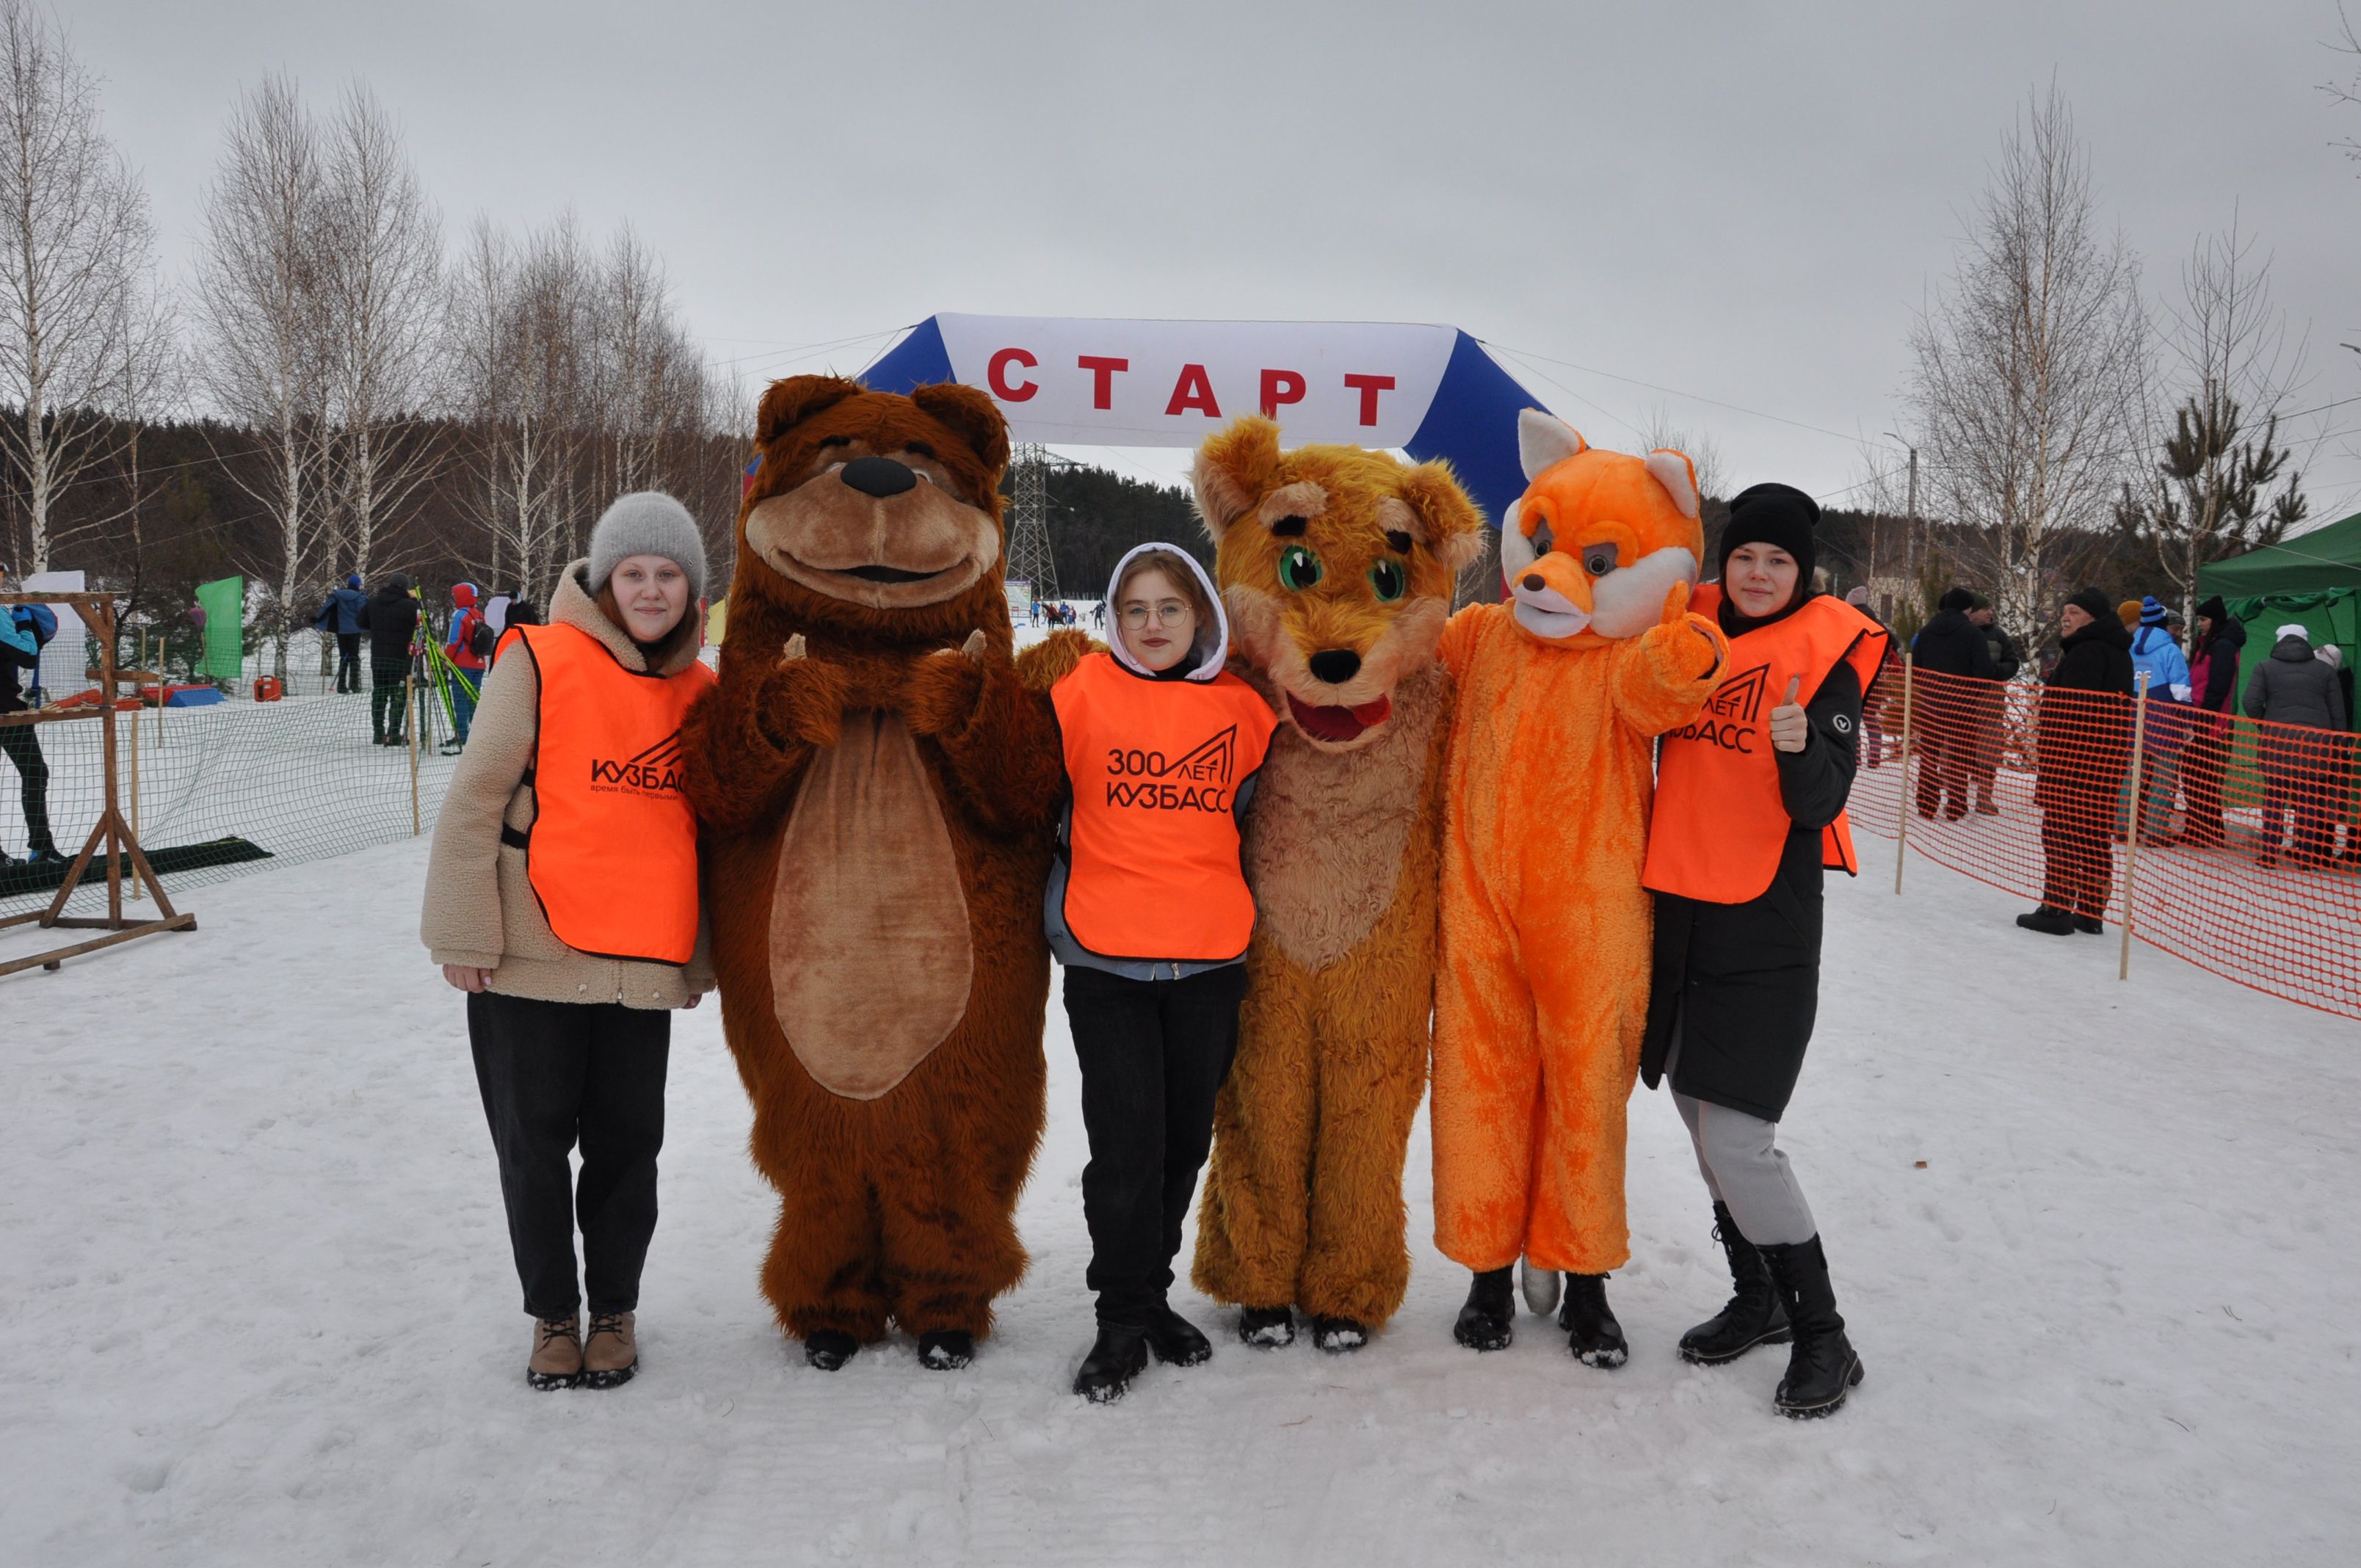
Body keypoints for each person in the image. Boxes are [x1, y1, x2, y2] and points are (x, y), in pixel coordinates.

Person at [421, 492, 715, 1391]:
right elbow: (476, 798)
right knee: (535, 1144)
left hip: (641, 963)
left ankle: (614, 1308)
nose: (652, 590)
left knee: (630, 1147)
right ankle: (554, 1313)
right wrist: (464, 929)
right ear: (602, 577)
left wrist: (699, 957)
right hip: (533, 956)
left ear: (693, 589)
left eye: (670, 575)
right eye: (636, 573)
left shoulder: (703, 689)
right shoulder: (538, 658)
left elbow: (709, 833)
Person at [1640, 484, 1888, 1419]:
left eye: (1777, 561)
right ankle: (1759, 1300)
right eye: (1744, 556)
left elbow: (1822, 801)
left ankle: (1827, 1334)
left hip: (1767, 925)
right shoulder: (1688, 631)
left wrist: (1796, 747)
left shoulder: (1825, 658)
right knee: (1703, 1132)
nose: (1757, 574)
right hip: (1680, 911)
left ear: (1802, 572)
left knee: (1741, 1141)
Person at [1045, 542, 1277, 1403]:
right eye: (1136, 609)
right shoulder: (1076, 698)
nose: (1152, 625)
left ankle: (1152, 1296)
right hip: (1107, 961)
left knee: (1185, 1139)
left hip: (1210, 960)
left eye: (1170, 609)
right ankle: (1118, 1319)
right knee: (1125, 1147)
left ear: (1201, 617)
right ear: (1113, 617)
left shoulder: (1244, 714)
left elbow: (1253, 820)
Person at [2016, 589, 2136, 934]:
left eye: (2074, 612)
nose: (2065, 617)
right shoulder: (2115, 651)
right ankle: (2091, 912)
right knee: (2094, 835)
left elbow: (2073, 715)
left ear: (2093, 618)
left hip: (2074, 763)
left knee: (2060, 832)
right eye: (2065, 611)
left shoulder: (2087, 652)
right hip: (2105, 763)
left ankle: (2056, 910)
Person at [2244, 623, 2348, 868]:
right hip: (2316, 747)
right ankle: (2306, 856)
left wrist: (2264, 724)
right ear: (2306, 641)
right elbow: (2337, 711)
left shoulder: (2264, 667)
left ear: (2279, 640)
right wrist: (2339, 743)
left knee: (2274, 798)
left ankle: (2269, 854)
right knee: (2309, 801)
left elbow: (2250, 701)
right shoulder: (2325, 671)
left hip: (2277, 744)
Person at [1907, 587, 1997, 820]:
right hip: (1962, 707)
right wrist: (1973, 695)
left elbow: (1915, 669)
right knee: (1960, 757)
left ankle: (1926, 804)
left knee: (1928, 756)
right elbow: (1983, 673)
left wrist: (1928, 691)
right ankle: (1956, 806)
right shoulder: (1973, 634)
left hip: (1930, 705)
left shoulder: (1926, 632)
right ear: (1968, 608)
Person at [0, 560, 62, 864]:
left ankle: (40, 847)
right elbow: (27, 656)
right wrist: (25, 626)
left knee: (34, 771)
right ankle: (42, 847)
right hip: (6, 709)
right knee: (35, 772)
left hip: (8, 705)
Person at [2125, 596, 2193, 846]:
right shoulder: (2171, 650)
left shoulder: (2129, 647)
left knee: (2133, 774)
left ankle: (2123, 826)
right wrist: (2187, 720)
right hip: (2165, 719)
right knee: (2164, 777)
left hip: (2133, 715)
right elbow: (2181, 690)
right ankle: (2155, 831)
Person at [2182, 597, 2246, 848]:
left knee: (2199, 776)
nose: (2200, 624)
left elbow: (2217, 687)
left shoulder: (2222, 647)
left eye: (2204, 619)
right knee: (2195, 776)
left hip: (2209, 719)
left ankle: (2204, 830)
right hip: (2201, 715)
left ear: (2215, 621)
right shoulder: (2209, 645)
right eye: (2198, 619)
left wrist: (2203, 720)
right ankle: (2201, 828)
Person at [1965, 595, 2023, 813]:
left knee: (1989, 749)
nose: (1990, 613)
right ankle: (1954, 793)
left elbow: (2013, 662)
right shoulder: (1961, 633)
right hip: (1962, 696)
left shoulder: (1998, 635)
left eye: (1991, 608)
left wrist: (1995, 673)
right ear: (1972, 612)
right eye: (1985, 609)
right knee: (1955, 746)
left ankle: (1984, 798)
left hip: (1991, 698)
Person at [358, 573, 420, 746]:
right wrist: (415, 601)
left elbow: (360, 622)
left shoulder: (373, 602)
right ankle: (393, 733)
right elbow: (420, 622)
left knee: (379, 693)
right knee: (398, 695)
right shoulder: (409, 605)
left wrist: (378, 626)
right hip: (401, 657)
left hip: (378, 655)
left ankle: (378, 733)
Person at [443, 583, 490, 753]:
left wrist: (446, 659)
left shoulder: (460, 615)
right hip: (479, 663)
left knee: (461, 699)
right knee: (473, 699)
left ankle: (462, 733)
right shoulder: (479, 614)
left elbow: (454, 640)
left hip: (462, 664)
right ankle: (476, 733)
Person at [314, 574, 369, 693]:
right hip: (355, 631)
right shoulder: (360, 597)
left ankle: (341, 685)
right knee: (354, 657)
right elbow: (364, 610)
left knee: (344, 656)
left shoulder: (338, 595)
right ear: (358, 585)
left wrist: (317, 619)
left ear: (348, 584)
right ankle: (354, 685)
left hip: (341, 630)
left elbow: (326, 607)